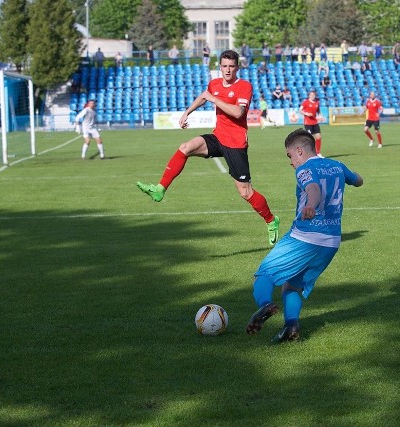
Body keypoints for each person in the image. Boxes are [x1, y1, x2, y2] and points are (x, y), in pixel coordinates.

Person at [136, 50, 280, 245]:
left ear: (237, 67)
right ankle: (160, 189)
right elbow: (204, 96)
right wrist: (187, 112)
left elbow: (238, 112)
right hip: (217, 136)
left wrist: (215, 99)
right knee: (185, 147)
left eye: (231, 66)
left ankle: (271, 220)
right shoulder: (214, 84)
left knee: (245, 192)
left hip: (236, 144)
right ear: (219, 67)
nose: (227, 70)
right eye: (224, 66)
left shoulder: (244, 86)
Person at [245, 129, 363, 343]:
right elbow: (358, 180)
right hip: (331, 242)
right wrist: (349, 178)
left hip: (304, 237)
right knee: (292, 286)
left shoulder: (304, 169)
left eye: (290, 156)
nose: (290, 162)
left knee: (264, 275)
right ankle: (291, 326)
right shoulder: (337, 165)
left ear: (299, 150)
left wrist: (311, 205)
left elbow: (314, 188)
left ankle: (264, 304)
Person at [299, 90, 323, 157]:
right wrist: (306, 113)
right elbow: (300, 110)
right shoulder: (306, 102)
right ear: (309, 95)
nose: (312, 96)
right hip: (308, 123)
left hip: (315, 122)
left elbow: (318, 111)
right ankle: (306, 153)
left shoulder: (317, 102)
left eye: (313, 95)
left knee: (318, 137)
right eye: (311, 95)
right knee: (310, 139)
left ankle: (318, 153)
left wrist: (320, 117)